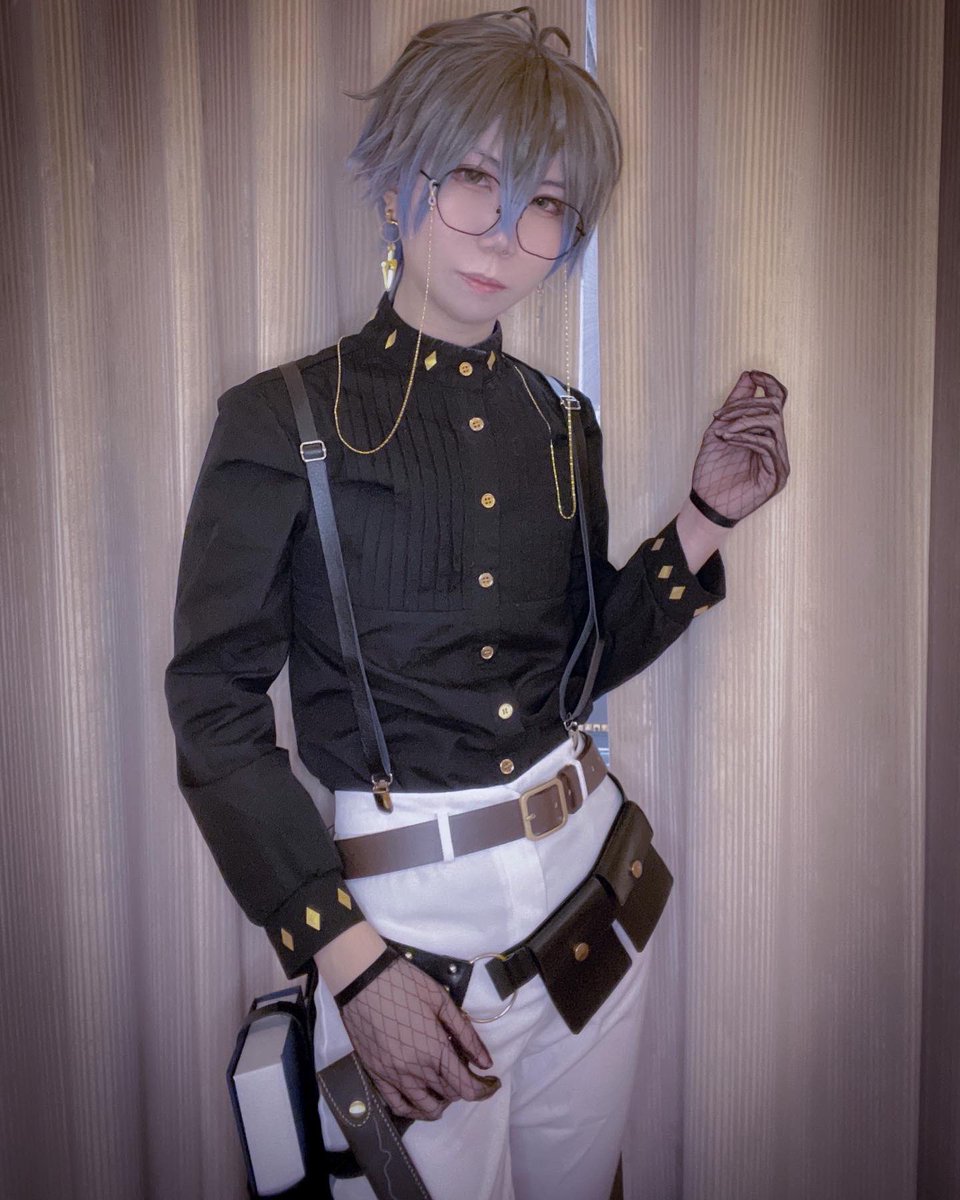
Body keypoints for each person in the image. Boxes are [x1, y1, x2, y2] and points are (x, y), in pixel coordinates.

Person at [164, 7, 789, 1198]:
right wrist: (350, 962)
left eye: (546, 203)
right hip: (406, 934)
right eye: (473, 179)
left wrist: (705, 519)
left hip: (592, 895)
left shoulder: (561, 421)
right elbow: (213, 711)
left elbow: (577, 665)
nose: (506, 233)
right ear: (398, 176)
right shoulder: (278, 420)